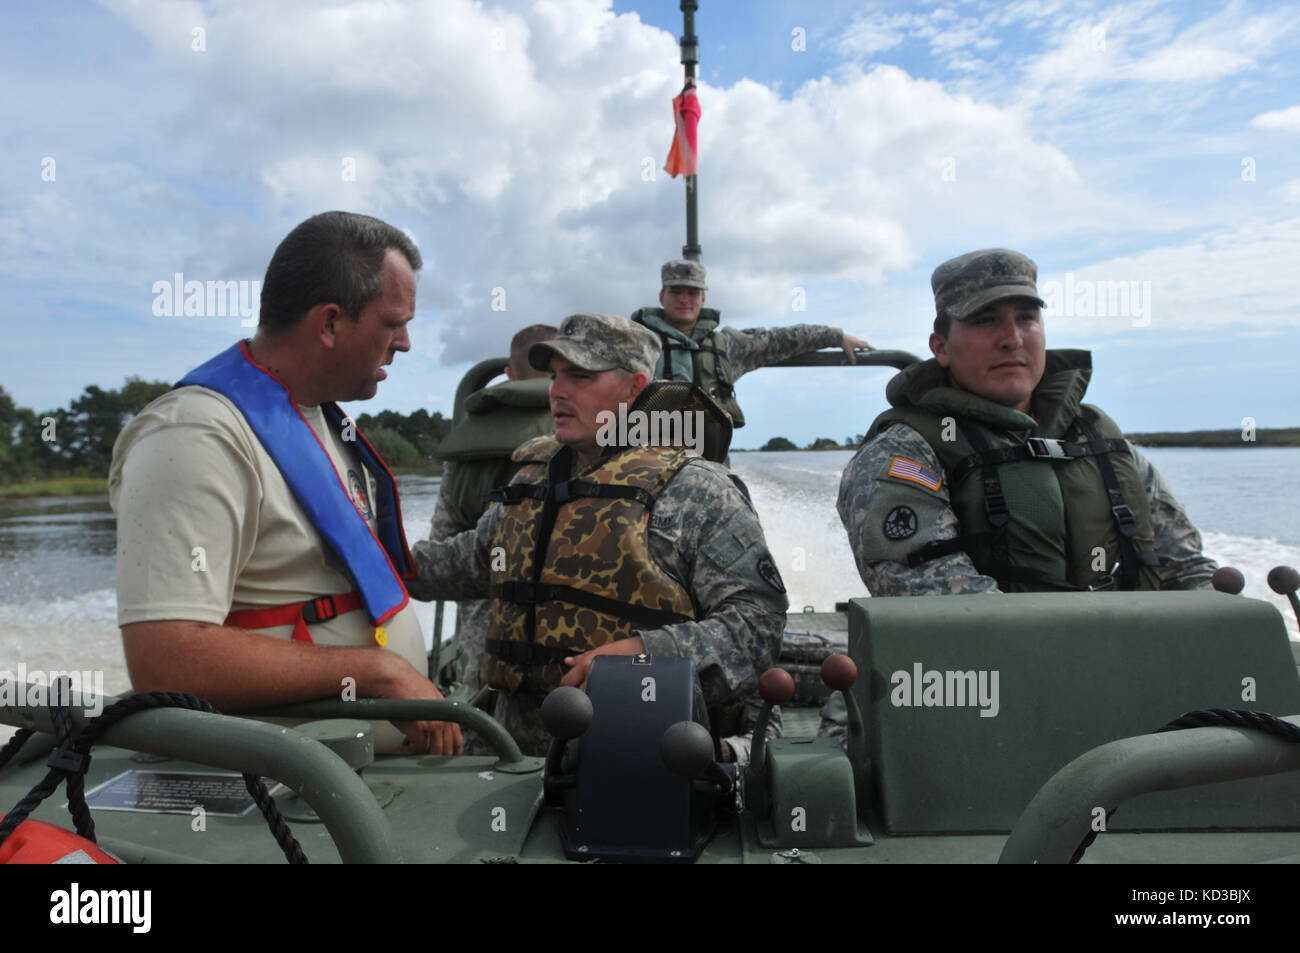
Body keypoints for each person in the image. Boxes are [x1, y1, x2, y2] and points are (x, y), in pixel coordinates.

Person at [109, 211, 461, 756]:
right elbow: (164, 658)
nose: (406, 343)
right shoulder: (194, 435)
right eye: (393, 323)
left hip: (359, 769)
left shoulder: (321, 418)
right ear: (329, 324)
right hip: (284, 793)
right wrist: (377, 673)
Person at [406, 312, 789, 757]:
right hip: (511, 754)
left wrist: (644, 653)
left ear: (634, 387)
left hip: (639, 751)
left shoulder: (697, 491)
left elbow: (758, 626)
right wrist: (362, 559)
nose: (558, 391)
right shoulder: (531, 483)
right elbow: (461, 563)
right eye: (554, 375)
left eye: (581, 375)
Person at [838, 247, 1217, 597]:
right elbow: (939, 603)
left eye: (1026, 318)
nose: (1012, 339)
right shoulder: (904, 452)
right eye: (985, 320)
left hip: (1146, 656)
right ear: (941, 347)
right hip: (998, 669)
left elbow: (1189, 572)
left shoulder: (1100, 439)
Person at [428, 324, 556, 711]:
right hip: (565, 613)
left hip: (484, 611)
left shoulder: (470, 446)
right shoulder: (585, 432)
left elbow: (440, 544)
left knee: (484, 701)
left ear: (509, 375)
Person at [629, 259, 873, 429]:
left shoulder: (727, 345)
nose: (684, 299)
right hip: (647, 458)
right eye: (676, 292)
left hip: (710, 462)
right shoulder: (635, 343)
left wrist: (836, 336)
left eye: (692, 293)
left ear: (703, 299)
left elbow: (779, 339)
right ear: (662, 297)